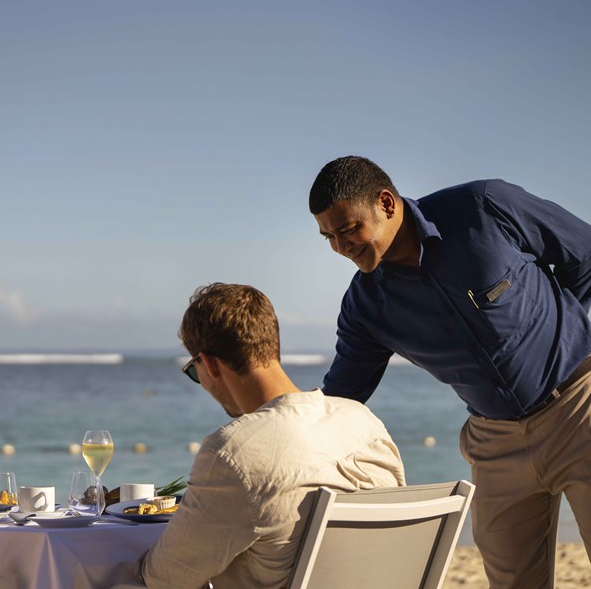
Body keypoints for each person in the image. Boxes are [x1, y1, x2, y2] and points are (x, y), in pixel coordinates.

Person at [308, 155, 591, 589]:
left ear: (386, 203)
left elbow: (584, 255)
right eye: (328, 236)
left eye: (348, 229)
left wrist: (563, 330)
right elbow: (342, 401)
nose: (340, 247)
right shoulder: (365, 307)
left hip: (579, 407)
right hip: (494, 443)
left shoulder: (483, 208)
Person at [137, 282, 405, 588]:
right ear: (270, 345)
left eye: (194, 372)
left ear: (209, 364)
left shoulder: (232, 452)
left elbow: (166, 579)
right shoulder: (365, 423)